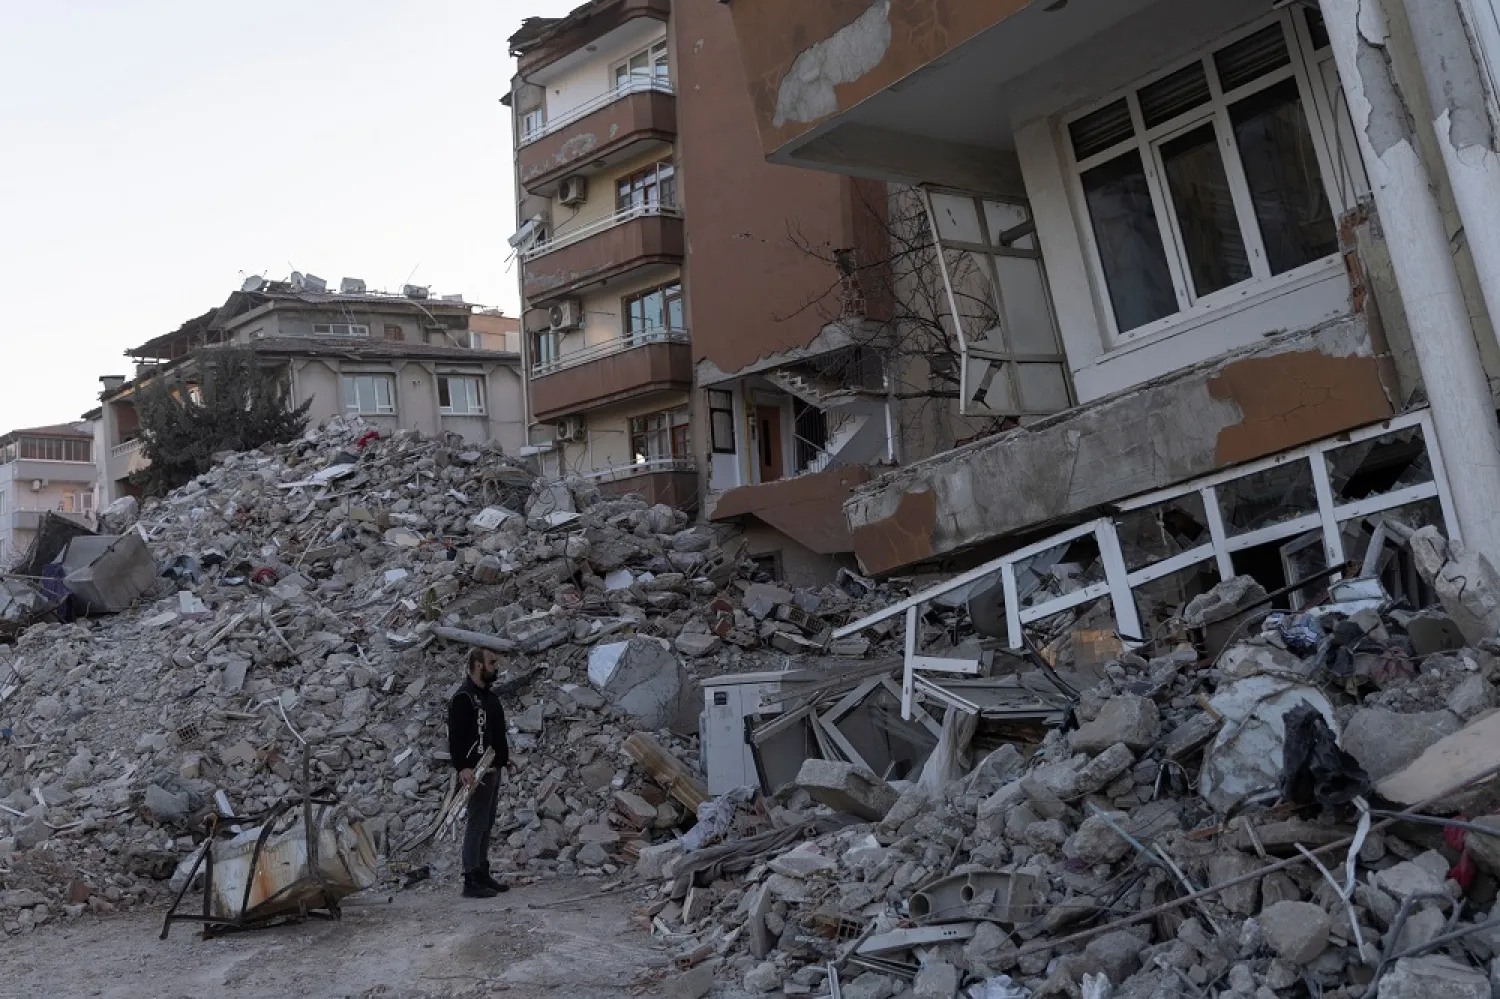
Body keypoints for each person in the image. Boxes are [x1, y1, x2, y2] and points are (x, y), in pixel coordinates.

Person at [447, 647, 514, 898]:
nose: (496, 666)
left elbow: (496, 734)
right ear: (477, 665)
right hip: (475, 771)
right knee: (476, 823)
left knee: (487, 822)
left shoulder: (489, 698)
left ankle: (482, 871)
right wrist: (463, 766)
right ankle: (470, 877)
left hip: (492, 769)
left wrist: (506, 759)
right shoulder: (464, 698)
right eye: (492, 662)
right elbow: (456, 736)